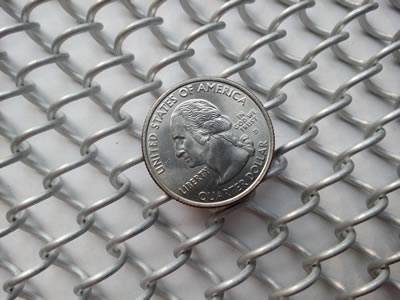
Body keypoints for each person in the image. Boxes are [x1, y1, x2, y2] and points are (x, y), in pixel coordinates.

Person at [170, 99, 255, 185]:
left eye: (181, 139)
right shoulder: (222, 177)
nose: (178, 153)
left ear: (204, 131)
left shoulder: (236, 164)